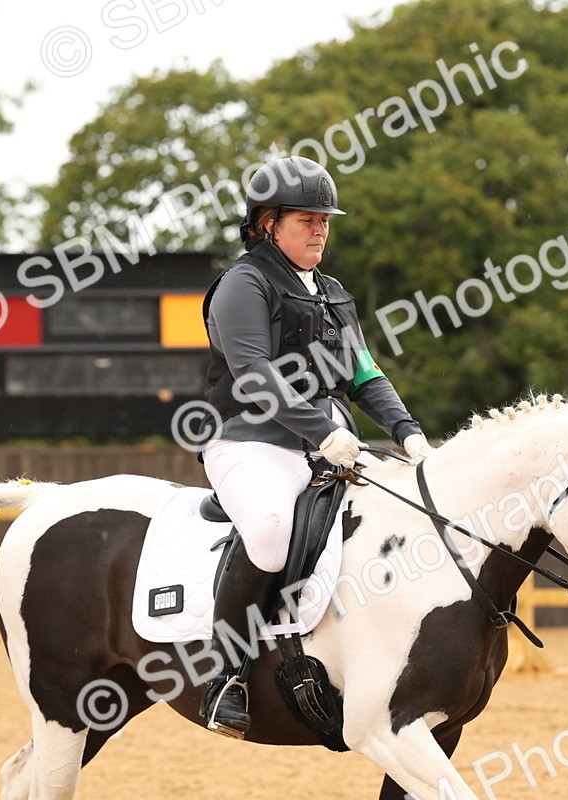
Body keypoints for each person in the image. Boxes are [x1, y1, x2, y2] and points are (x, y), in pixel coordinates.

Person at [199, 155, 432, 737]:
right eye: (307, 220)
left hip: (325, 443)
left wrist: (408, 432)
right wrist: (323, 430)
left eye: (325, 220)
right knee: (271, 531)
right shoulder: (243, 284)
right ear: (268, 224)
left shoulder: (331, 293)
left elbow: (363, 374)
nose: (320, 230)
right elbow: (254, 373)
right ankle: (224, 676)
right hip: (249, 440)